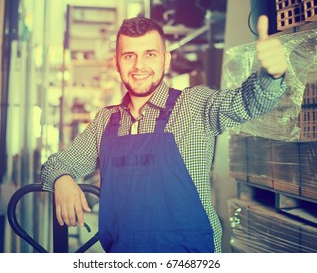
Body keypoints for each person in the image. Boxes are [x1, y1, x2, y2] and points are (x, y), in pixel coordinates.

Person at [40, 15, 288, 253]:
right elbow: (57, 163)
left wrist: (271, 76)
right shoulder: (106, 120)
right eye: (129, 56)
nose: (139, 65)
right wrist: (62, 179)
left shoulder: (193, 105)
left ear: (165, 60)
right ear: (117, 63)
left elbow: (245, 103)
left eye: (150, 54)